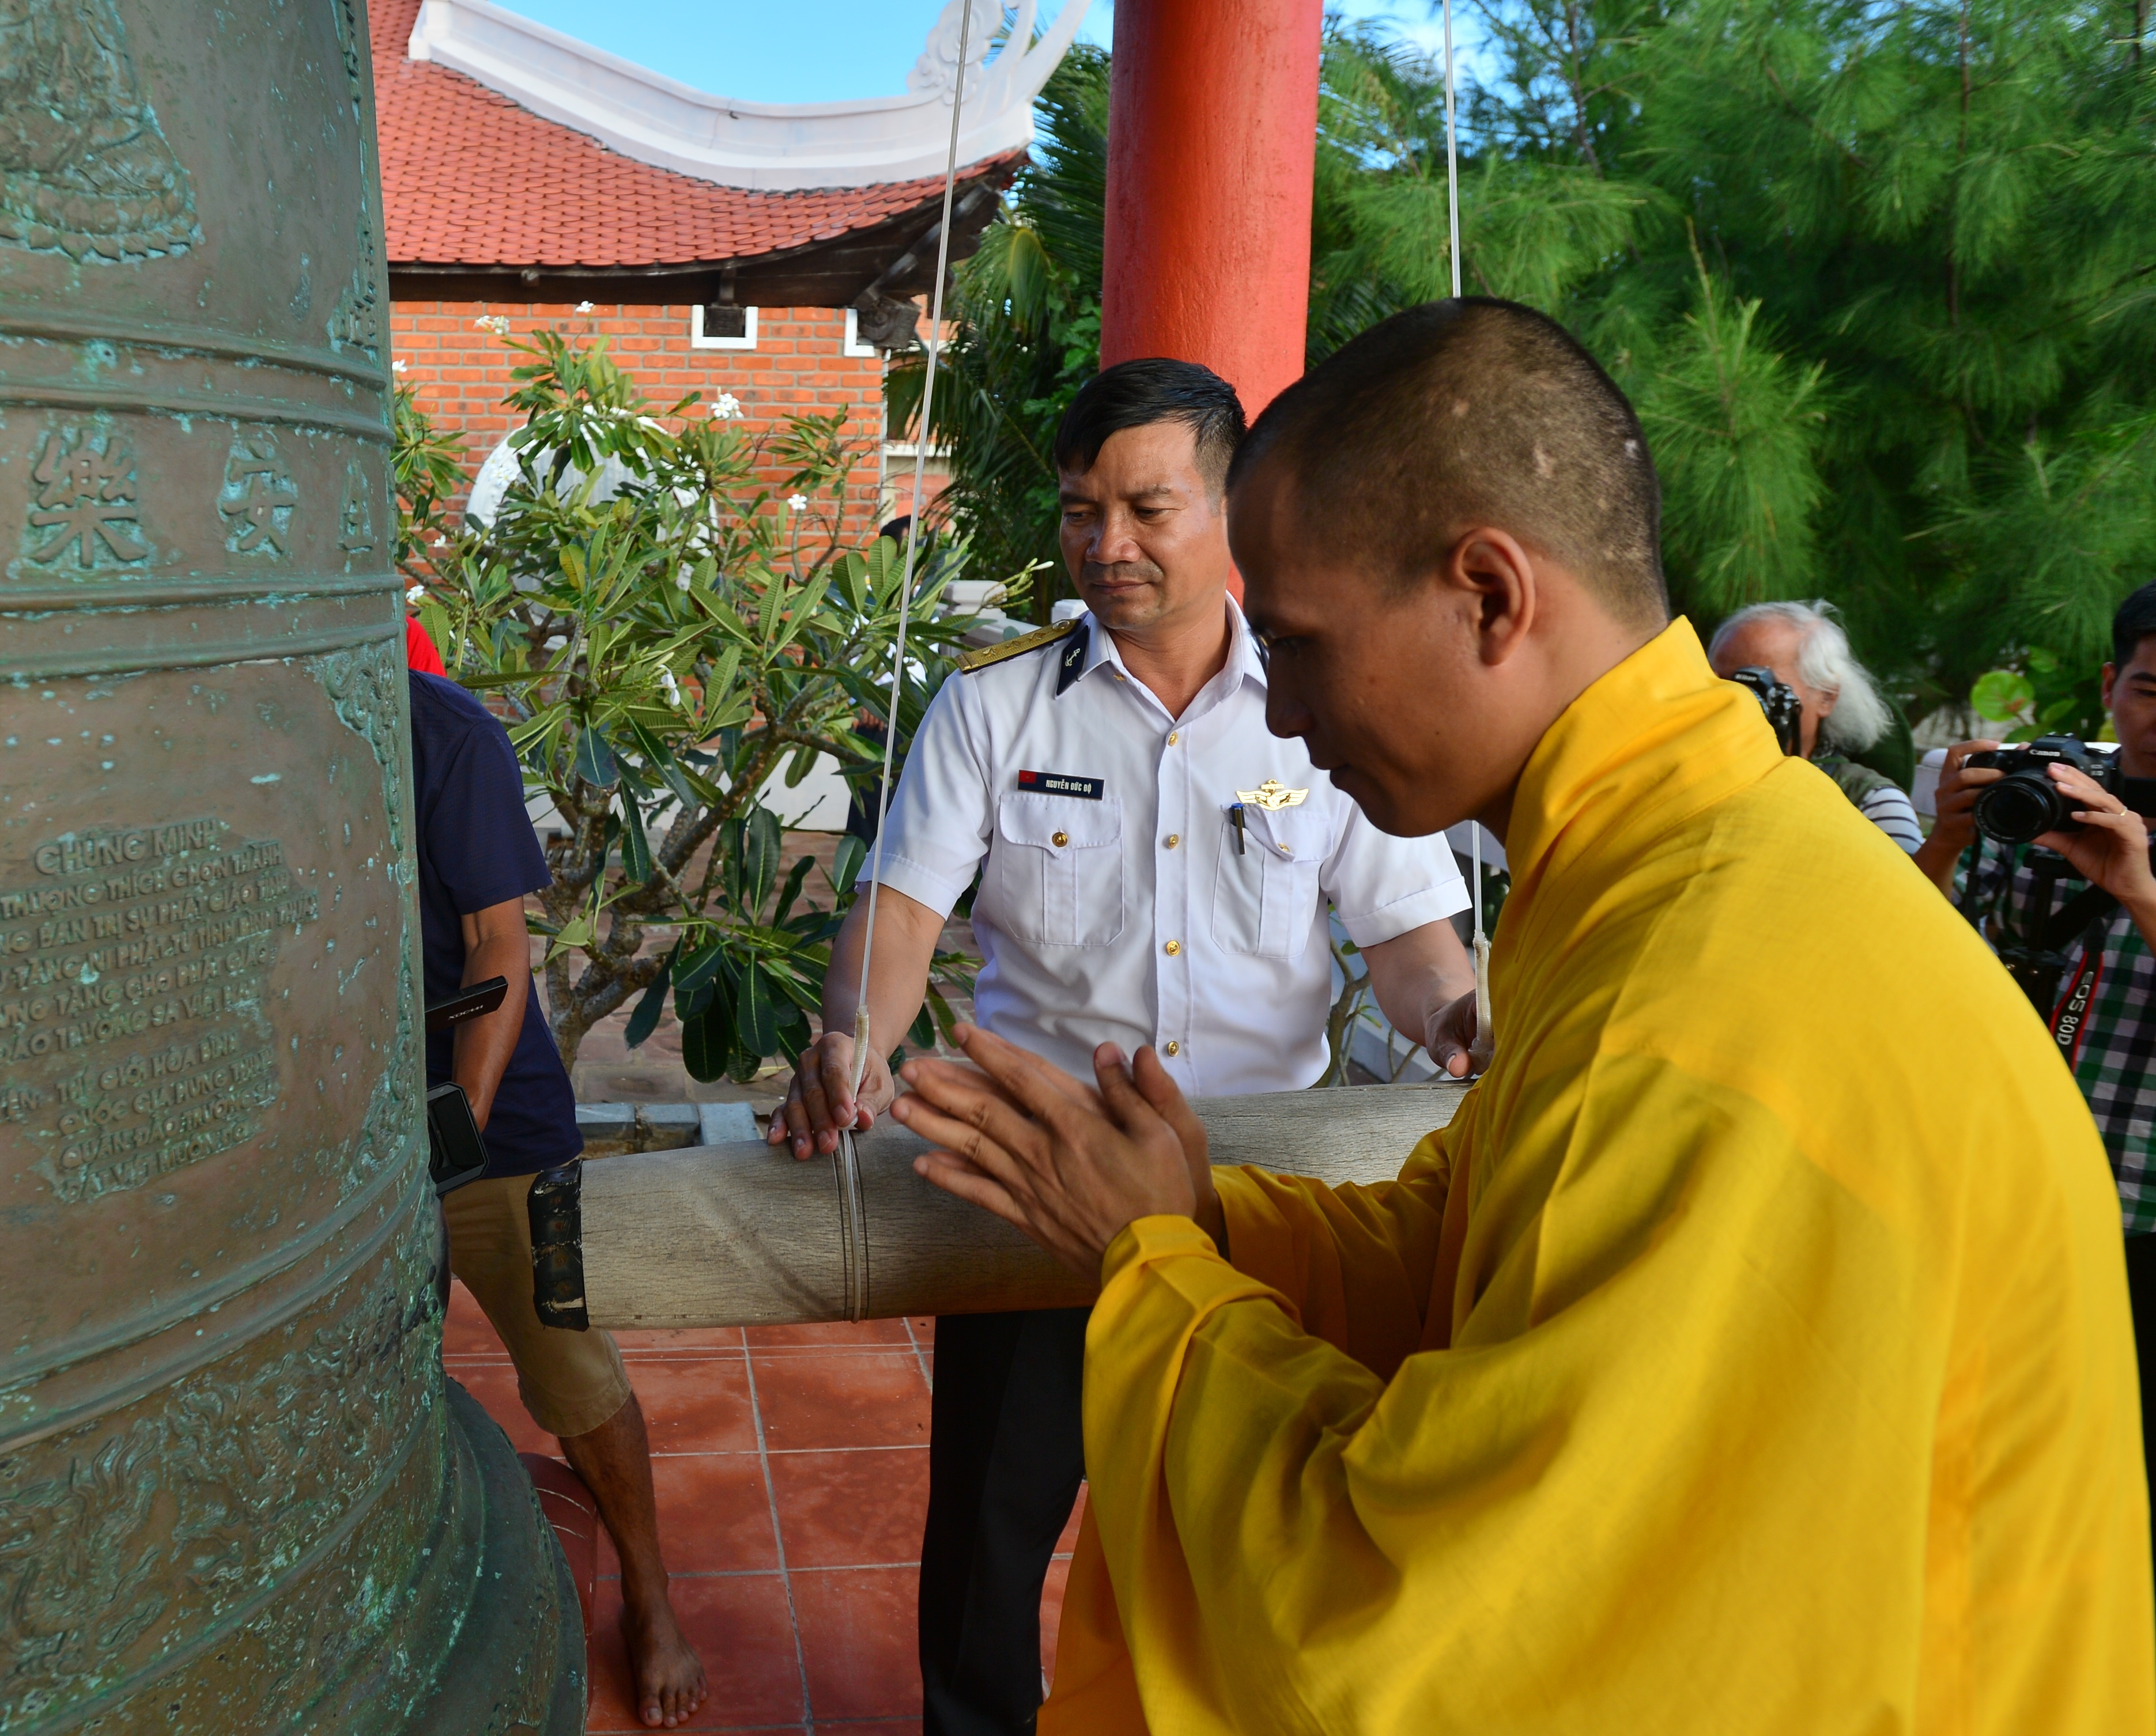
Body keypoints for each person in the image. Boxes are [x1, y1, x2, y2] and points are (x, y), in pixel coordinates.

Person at [889, 298, 2151, 1733]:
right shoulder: (1669, 866)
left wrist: (1155, 1263)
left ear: (1490, 592)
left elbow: (1415, 1621)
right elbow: (1481, 1233)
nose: (1281, 715)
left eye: (1295, 645)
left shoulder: (1700, 1001)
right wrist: (1214, 1215)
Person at [772, 358, 1483, 1736]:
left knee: (1255, 1526)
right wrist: (851, 1035)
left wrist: (1460, 1012)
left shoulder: (1318, 706)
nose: (1108, 544)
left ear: (1238, 510)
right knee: (989, 1537)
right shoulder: (999, 706)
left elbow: (1409, 947)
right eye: (1081, 509)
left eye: (1149, 506)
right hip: (1040, 1189)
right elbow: (904, 912)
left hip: (1255, 1205)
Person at [407, 666, 705, 1730]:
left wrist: (444, 1143)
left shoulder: (443, 735)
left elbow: (497, 947)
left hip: (486, 1137)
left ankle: (650, 1595)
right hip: (326, 1144)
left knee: (575, 1381)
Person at [1917, 578, 2156, 1484]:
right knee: (2009, 1478)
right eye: (2150, 691)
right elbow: (1902, 964)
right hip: (2017, 1214)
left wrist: (2136, 884)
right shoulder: (2040, 807)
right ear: (2110, 685)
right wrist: (1944, 842)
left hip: (2145, 1222)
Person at [1706, 597, 1921, 850]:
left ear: (1826, 697)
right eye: (1715, 683)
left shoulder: (1872, 804)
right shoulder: (1696, 773)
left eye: (1754, 685)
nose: (1730, 699)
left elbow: (1898, 890)